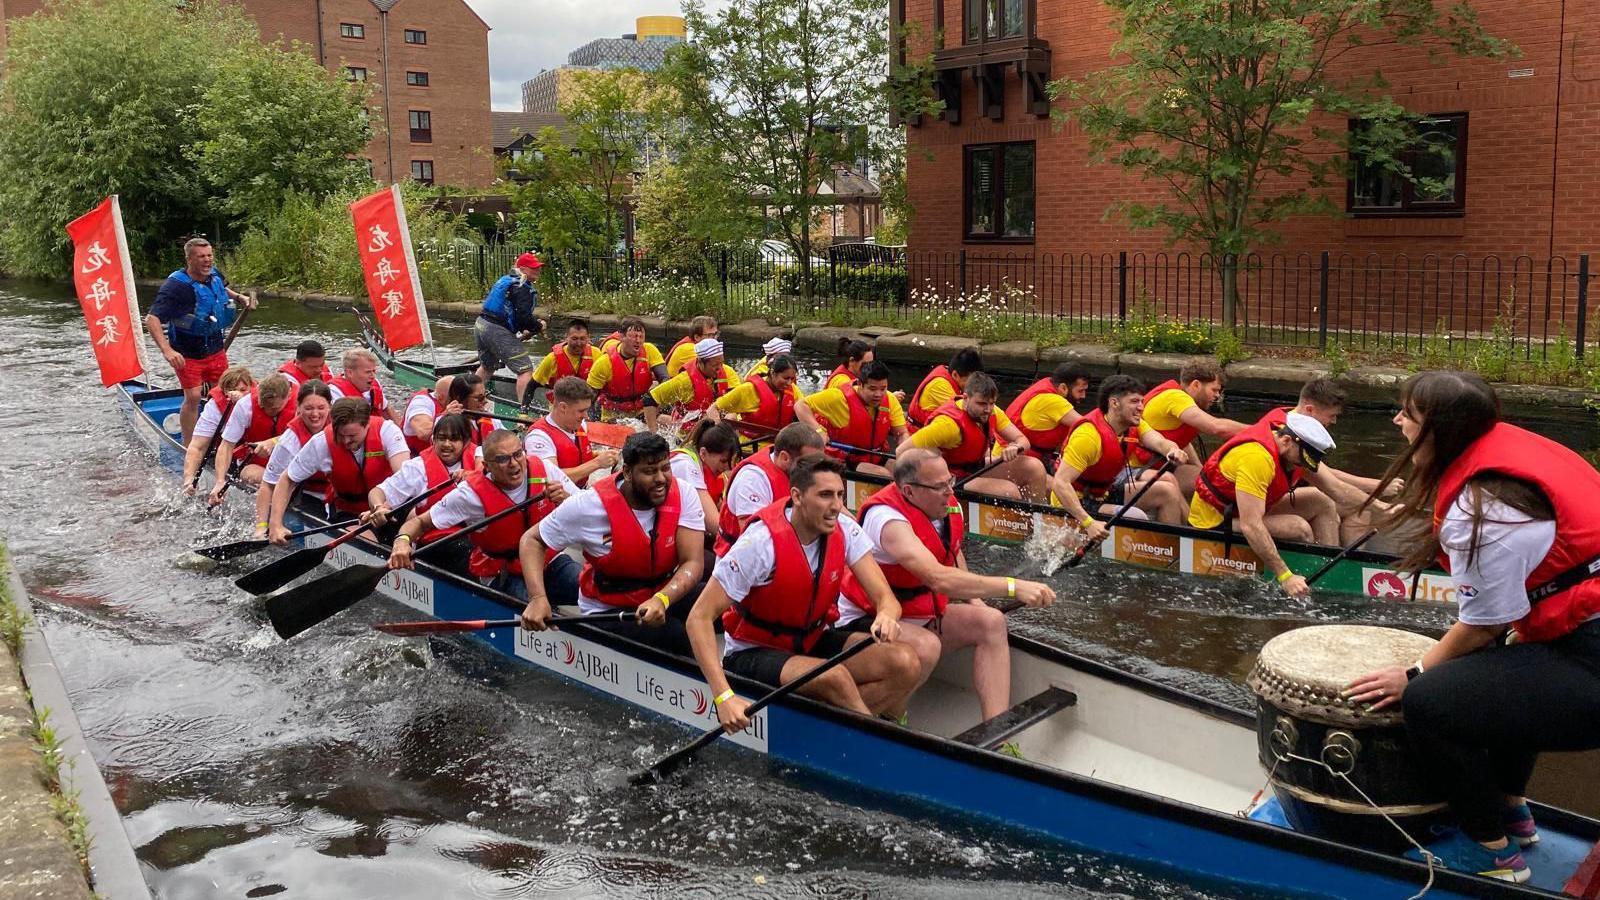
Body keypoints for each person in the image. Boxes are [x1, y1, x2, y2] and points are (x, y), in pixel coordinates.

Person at [1345, 370, 1600, 884]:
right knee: (1507, 667)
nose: (1396, 420)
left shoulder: (1479, 508)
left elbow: (1485, 626)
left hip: (1591, 660)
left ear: (1439, 430)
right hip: (1583, 636)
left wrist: (1414, 674)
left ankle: (1491, 851)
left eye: (1407, 415)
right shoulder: (1523, 450)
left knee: (1431, 703)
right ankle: (1510, 810)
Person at [688, 454, 924, 731]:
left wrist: (886, 615)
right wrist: (723, 696)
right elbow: (699, 618)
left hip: (812, 638)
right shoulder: (760, 543)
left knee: (905, 662)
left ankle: (842, 732)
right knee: (834, 677)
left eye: (839, 495)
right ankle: (875, 743)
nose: (836, 506)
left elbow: (887, 599)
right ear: (797, 496)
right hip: (752, 650)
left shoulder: (845, 530)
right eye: (825, 495)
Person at [839, 449, 1057, 721]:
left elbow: (952, 551)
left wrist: (975, 601)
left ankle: (996, 730)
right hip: (868, 618)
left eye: (950, 481)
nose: (949, 491)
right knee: (927, 646)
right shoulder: (886, 519)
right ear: (909, 491)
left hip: (918, 612)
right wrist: (1013, 586)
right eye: (939, 486)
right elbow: (937, 577)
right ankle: (889, 720)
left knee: (990, 621)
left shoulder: (946, 503)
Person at [517, 433, 707, 655]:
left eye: (665, 468)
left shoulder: (684, 492)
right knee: (676, 635)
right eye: (649, 471)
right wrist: (538, 598)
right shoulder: (588, 505)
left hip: (659, 594)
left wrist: (662, 599)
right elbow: (532, 540)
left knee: (720, 608)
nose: (661, 479)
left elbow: (693, 562)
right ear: (627, 472)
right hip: (610, 609)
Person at [1187, 410, 1368, 597]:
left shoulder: (1293, 450)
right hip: (1215, 520)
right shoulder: (1257, 458)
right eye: (1302, 460)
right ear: (1287, 441)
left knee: (1323, 501)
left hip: (1249, 507)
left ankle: (1328, 573)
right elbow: (1251, 525)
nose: (1303, 467)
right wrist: (1285, 576)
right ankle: (1298, 577)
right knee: (1299, 527)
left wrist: (1383, 509)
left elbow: (1336, 489)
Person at [391, 429, 574, 598]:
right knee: (533, 610)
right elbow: (420, 523)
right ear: (487, 466)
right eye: (503, 459)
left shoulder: (543, 469)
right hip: (505, 572)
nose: (514, 464)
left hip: (548, 560)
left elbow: (582, 504)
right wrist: (402, 542)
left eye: (518, 454)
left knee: (589, 587)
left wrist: (565, 498)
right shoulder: (469, 495)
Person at [1258, 377, 1401, 543]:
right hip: (1260, 503)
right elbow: (1331, 480)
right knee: (1321, 500)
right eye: (1331, 415)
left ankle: (1350, 563)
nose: (1334, 421)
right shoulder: (1285, 432)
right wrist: (1378, 489)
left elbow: (1324, 474)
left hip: (1283, 496)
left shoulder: (1295, 422)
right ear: (1309, 410)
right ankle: (1330, 559)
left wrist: (1374, 497)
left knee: (1361, 507)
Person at [144, 237, 257, 443]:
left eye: (209, 255)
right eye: (201, 257)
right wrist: (167, 351)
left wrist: (240, 298)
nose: (207, 260)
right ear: (189, 259)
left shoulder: (214, 274)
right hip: (187, 353)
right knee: (194, 396)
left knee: (224, 392)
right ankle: (189, 446)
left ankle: (223, 438)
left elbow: (223, 290)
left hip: (215, 348)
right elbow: (152, 319)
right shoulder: (176, 287)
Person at [1046, 375, 1189, 530]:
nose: (1141, 407)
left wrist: (1173, 450)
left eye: (1142, 401)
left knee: (1167, 491)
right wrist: (1089, 523)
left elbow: (1160, 442)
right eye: (1134, 401)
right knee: (1135, 516)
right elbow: (1060, 483)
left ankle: (1171, 548)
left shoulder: (1135, 424)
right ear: (1114, 403)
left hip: (1105, 493)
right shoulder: (1088, 436)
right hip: (1076, 501)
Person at [269, 397, 411, 540]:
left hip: (391, 506)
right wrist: (275, 525)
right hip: (349, 513)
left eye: (352, 436)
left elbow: (404, 478)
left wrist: (380, 508)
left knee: (414, 520)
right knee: (365, 540)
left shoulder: (388, 431)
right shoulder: (322, 441)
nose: (346, 441)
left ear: (367, 425)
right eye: (341, 435)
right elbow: (287, 479)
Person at [898, 372, 1049, 502]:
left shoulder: (993, 411)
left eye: (991, 403)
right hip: (952, 477)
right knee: (1009, 491)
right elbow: (901, 452)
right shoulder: (947, 425)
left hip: (975, 467)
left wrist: (1015, 447)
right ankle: (1014, 529)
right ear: (965, 398)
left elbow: (1023, 440)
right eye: (982, 404)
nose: (987, 409)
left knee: (1034, 467)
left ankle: (1035, 524)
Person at [1133, 357, 1248, 490]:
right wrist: (1262, 430)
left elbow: (1184, 441)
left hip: (1155, 465)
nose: (1217, 396)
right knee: (1222, 485)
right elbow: (1216, 427)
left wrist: (1200, 467)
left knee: (1207, 478)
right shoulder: (1176, 398)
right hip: (1137, 469)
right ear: (1196, 385)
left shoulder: (1177, 398)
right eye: (1214, 390)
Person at [716, 422, 827, 553]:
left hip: (789, 550)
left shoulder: (801, 469)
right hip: (744, 562)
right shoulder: (753, 479)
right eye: (809, 462)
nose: (814, 469)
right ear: (785, 457)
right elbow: (754, 541)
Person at [794, 359, 907, 476]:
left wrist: (905, 450)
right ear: (860, 384)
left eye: (883, 389)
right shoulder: (838, 397)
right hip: (846, 459)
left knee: (905, 471)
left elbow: (902, 433)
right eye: (872, 389)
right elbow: (800, 405)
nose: (878, 394)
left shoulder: (890, 399)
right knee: (883, 474)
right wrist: (818, 431)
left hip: (876, 455)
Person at [256, 379, 333, 539]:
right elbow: (268, 484)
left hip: (337, 494)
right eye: (308, 408)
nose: (315, 414)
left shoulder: (341, 428)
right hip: (304, 493)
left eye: (321, 408)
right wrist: (262, 526)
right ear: (298, 408)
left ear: (330, 407)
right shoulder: (289, 441)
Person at [366, 412, 479, 521]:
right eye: (441, 438)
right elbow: (378, 492)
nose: (446, 444)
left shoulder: (481, 457)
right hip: (434, 532)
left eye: (454, 439)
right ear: (433, 440)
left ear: (466, 442)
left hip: (475, 531)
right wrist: (378, 507)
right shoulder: (417, 467)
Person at [207, 373, 295, 502]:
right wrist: (220, 481)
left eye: (274, 408)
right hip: (256, 465)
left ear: (289, 395)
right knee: (252, 474)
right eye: (263, 406)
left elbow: (309, 437)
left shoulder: (303, 403)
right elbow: (226, 445)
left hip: (291, 465)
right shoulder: (245, 405)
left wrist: (274, 441)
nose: (268, 411)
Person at [475, 252, 544, 407]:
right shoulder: (521, 287)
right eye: (534, 269)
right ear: (523, 269)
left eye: (538, 268)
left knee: (487, 367)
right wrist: (537, 325)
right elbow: (523, 317)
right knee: (525, 369)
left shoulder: (507, 281)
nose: (538, 271)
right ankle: (524, 411)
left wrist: (524, 327)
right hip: (496, 330)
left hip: (481, 325)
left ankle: (468, 397)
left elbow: (512, 313)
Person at [524, 377, 618, 488]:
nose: (586, 416)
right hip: (557, 501)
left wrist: (596, 455)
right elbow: (551, 479)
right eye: (581, 411)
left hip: (580, 491)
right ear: (563, 407)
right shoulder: (538, 437)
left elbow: (574, 455)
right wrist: (597, 463)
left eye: (587, 410)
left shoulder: (580, 424)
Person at [180, 365, 255, 490]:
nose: (238, 394)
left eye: (243, 390)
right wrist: (189, 479)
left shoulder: (261, 398)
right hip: (232, 454)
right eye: (234, 390)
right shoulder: (214, 407)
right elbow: (197, 447)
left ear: (251, 387)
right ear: (225, 392)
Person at [643, 338, 741, 432]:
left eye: (721, 363)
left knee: (731, 418)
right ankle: (660, 419)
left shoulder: (727, 371)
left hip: (713, 426)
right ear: (700, 363)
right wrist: (653, 433)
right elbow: (649, 399)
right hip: (687, 431)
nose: (719, 369)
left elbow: (738, 399)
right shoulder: (684, 381)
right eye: (715, 365)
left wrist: (732, 413)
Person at [670, 419, 741, 546]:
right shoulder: (685, 465)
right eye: (723, 461)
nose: (727, 468)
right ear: (703, 453)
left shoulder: (705, 465)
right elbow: (715, 525)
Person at [1005, 363, 1091, 466]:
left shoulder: (1049, 384)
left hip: (1031, 457)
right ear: (1063, 388)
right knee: (1059, 482)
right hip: (1013, 460)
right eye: (1080, 391)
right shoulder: (1053, 401)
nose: (1083, 396)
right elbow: (1089, 427)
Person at [585, 316, 666, 417]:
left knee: (666, 420)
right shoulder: (604, 362)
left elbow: (665, 378)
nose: (638, 341)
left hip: (642, 411)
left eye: (641, 337)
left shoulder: (650, 350)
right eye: (634, 336)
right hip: (614, 415)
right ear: (622, 337)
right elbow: (587, 399)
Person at [716, 353, 803, 441]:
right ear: (773, 373)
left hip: (780, 445)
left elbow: (805, 408)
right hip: (751, 446)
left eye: (792, 379)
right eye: (785, 378)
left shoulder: (792, 389)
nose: (789, 383)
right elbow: (715, 408)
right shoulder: (748, 389)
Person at [907, 347, 983, 429]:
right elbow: (966, 415)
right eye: (970, 381)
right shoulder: (940, 385)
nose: (974, 385)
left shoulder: (950, 373)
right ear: (955, 375)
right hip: (918, 435)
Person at [530, 318, 597, 404]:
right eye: (574, 339)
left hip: (585, 405)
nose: (579, 343)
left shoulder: (597, 354)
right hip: (561, 405)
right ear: (566, 338)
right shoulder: (552, 358)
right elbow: (532, 385)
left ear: (588, 338)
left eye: (582, 339)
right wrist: (524, 412)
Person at [327, 348, 396, 424]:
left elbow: (386, 409)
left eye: (374, 371)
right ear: (350, 373)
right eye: (368, 372)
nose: (373, 376)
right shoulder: (334, 391)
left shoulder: (374, 384)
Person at [401, 375, 459, 454]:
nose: (458, 401)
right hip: (416, 457)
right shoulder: (421, 402)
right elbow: (424, 433)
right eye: (454, 398)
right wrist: (445, 416)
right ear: (440, 397)